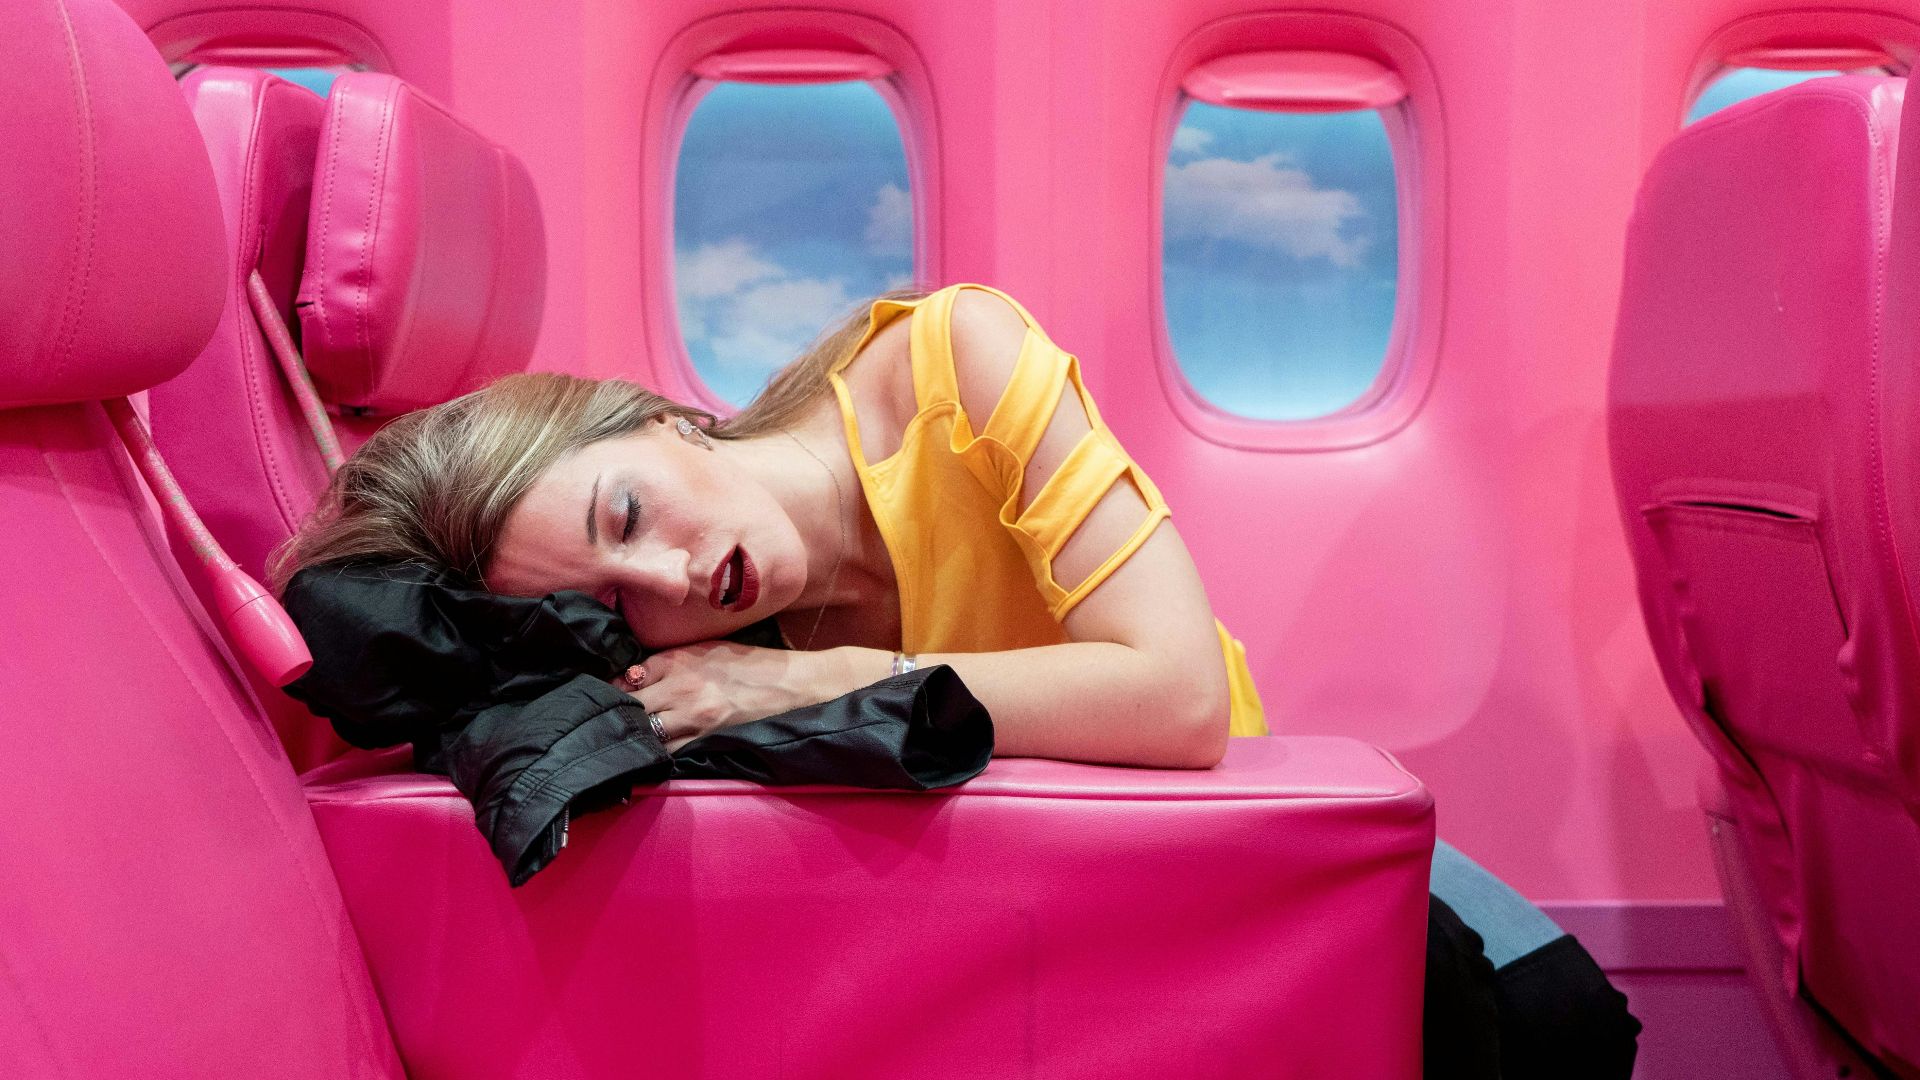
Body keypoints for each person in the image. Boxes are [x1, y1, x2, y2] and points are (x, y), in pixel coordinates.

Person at [273, 281, 1636, 1076]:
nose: (679, 585)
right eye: (620, 601)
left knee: (1566, 1026)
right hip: (1056, 929)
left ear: (663, 414)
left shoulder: (956, 360)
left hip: (1231, 856)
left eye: (632, 516)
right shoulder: (679, 657)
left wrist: (830, 682)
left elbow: (1176, 703)